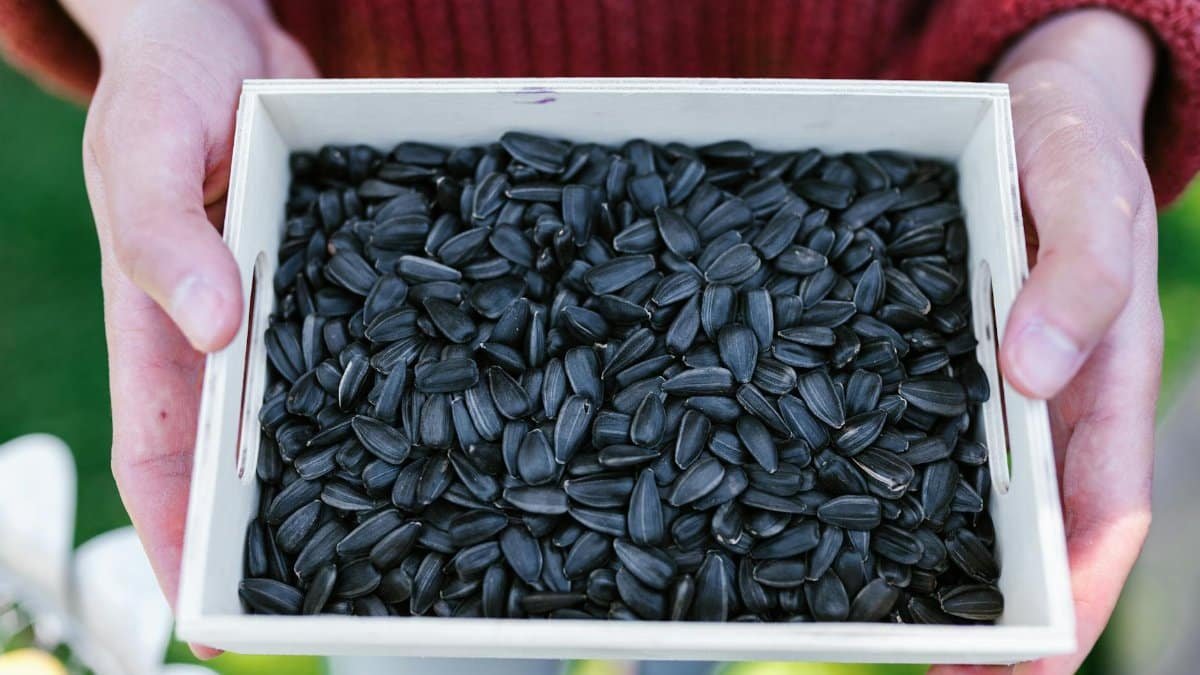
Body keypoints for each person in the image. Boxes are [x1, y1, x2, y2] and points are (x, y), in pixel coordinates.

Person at [1, 1, 1194, 673]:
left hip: (868, 108)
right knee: (431, 640)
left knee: (685, 618)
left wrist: (1090, 42)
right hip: (350, 88)